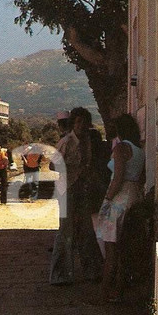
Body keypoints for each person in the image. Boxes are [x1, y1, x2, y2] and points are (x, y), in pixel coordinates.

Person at [49, 107, 102, 284]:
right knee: (66, 231)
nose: (81, 126)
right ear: (73, 123)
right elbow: (52, 166)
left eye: (84, 122)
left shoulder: (87, 141)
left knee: (86, 230)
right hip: (67, 189)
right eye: (78, 122)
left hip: (83, 188)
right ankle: (60, 275)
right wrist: (71, 167)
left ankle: (91, 271)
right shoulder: (66, 142)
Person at [96, 114, 145, 302]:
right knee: (124, 248)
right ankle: (118, 290)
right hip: (133, 196)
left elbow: (117, 178)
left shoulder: (121, 148)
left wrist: (107, 199)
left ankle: (103, 294)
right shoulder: (139, 151)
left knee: (111, 250)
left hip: (118, 199)